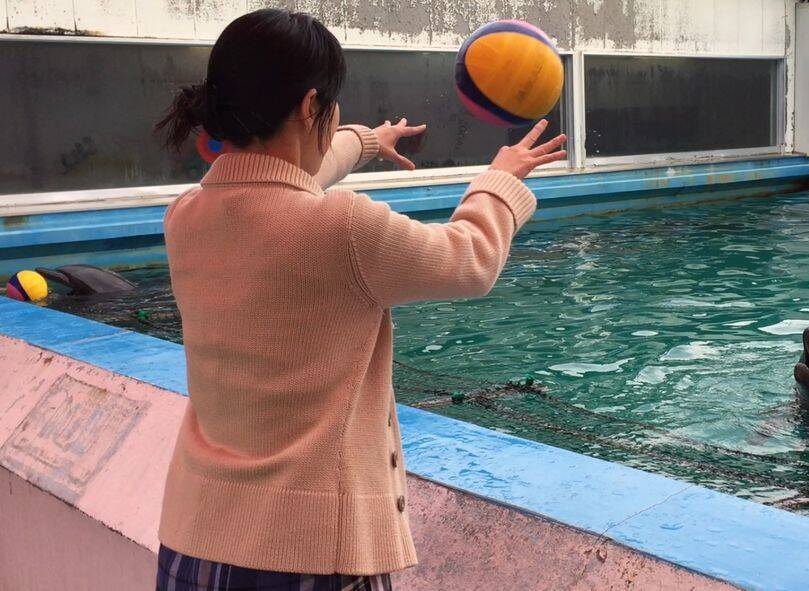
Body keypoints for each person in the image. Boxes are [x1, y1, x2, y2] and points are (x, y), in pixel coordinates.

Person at [153, 8, 565, 591]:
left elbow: (277, 182)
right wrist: (501, 180)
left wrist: (367, 141)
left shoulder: (186, 216)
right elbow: (469, 258)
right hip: (307, 557)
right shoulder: (342, 229)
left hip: (193, 546)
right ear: (310, 106)